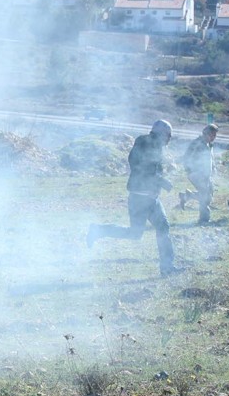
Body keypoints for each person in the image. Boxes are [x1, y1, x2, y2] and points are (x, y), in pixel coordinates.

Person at [87, 119, 178, 277]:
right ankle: (98, 230)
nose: (169, 139)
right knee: (135, 234)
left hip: (152, 198)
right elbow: (139, 165)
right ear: (162, 133)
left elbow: (152, 168)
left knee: (163, 228)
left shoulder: (156, 146)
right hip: (140, 197)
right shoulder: (144, 142)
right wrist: (161, 181)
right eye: (168, 135)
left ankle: (167, 267)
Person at [178, 123, 219, 224]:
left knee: (209, 195)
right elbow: (186, 157)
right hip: (196, 173)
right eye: (212, 135)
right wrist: (191, 171)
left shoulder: (208, 145)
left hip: (206, 174)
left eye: (215, 135)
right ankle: (204, 219)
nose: (213, 137)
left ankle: (187, 196)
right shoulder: (197, 143)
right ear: (205, 133)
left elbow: (210, 159)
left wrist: (213, 169)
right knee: (205, 196)